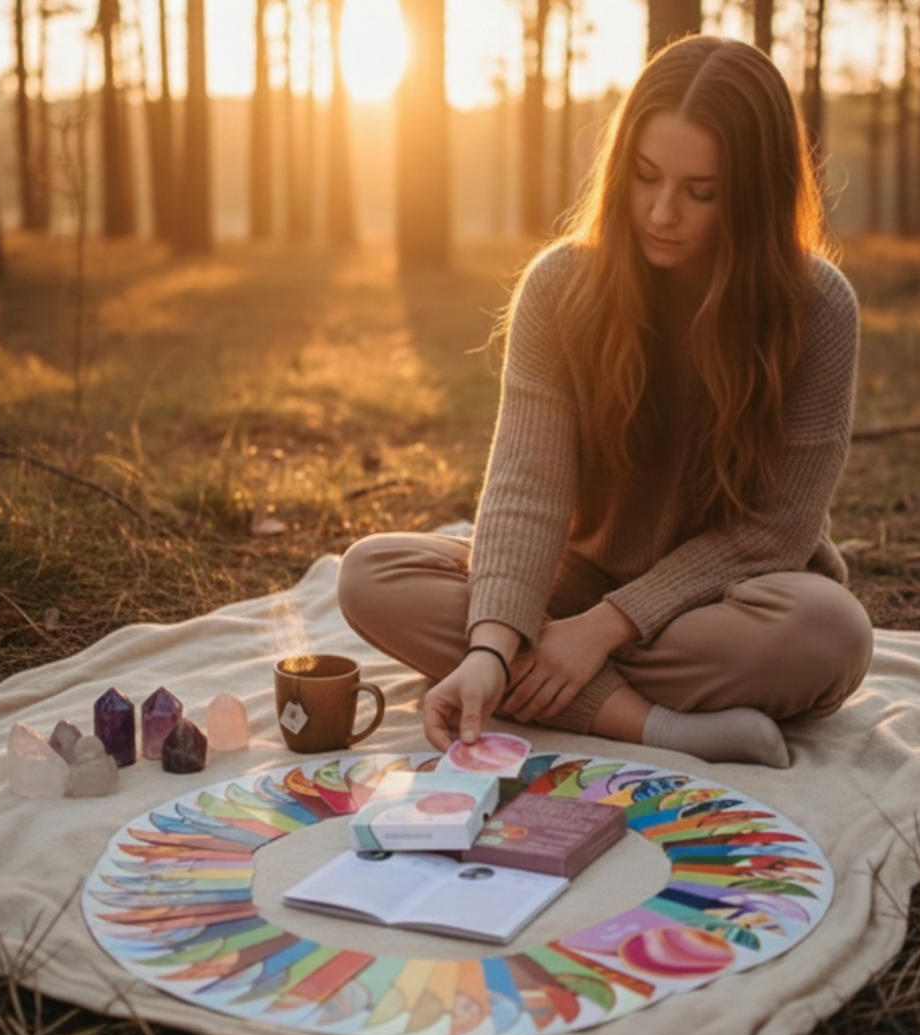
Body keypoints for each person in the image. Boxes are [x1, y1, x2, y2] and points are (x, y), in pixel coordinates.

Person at [337, 34, 873, 769]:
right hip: (578, 575)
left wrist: (603, 628)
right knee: (374, 574)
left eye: (701, 191)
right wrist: (494, 646)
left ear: (754, 193)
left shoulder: (818, 309)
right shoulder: (561, 287)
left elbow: (776, 530)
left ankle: (563, 673)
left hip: (726, 599)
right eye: (645, 176)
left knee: (830, 632)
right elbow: (528, 484)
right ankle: (655, 725)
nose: (660, 211)